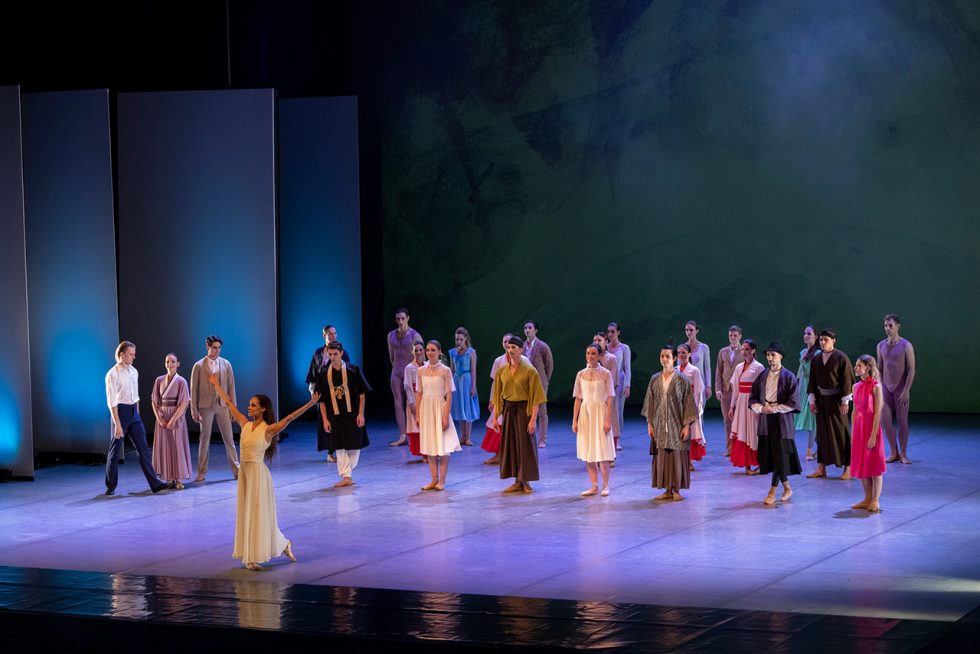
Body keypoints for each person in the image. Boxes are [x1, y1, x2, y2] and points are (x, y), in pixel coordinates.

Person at [206, 374, 319, 570]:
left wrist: (311, 403)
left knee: (258, 515)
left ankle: (254, 556)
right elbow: (229, 403)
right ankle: (281, 544)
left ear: (263, 409)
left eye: (254, 405)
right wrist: (216, 385)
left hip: (259, 475)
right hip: (245, 474)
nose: (249, 407)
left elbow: (290, 418)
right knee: (247, 513)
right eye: (249, 405)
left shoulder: (269, 430)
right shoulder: (244, 423)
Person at [104, 341, 174, 495]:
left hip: (133, 413)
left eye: (134, 354)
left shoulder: (134, 371)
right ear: (122, 354)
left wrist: (137, 415)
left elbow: (136, 396)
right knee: (115, 452)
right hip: (120, 413)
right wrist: (117, 424)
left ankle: (155, 484)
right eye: (131, 354)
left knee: (143, 449)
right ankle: (110, 486)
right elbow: (111, 402)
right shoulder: (112, 374)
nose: (133, 357)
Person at [641, 344, 698, 501]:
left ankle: (677, 490)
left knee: (676, 456)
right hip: (659, 424)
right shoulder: (655, 379)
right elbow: (650, 402)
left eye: (667, 356)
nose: (664, 359)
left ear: (674, 359)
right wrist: (650, 423)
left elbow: (688, 403)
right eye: (662, 356)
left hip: (676, 423)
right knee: (663, 457)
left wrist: (686, 426)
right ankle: (667, 490)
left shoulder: (682, 379)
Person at [749, 342, 802, 506]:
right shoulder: (763, 375)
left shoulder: (788, 377)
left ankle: (772, 492)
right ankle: (787, 488)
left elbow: (793, 401)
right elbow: (753, 396)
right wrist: (761, 408)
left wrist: (775, 409)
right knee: (774, 455)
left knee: (780, 454)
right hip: (766, 419)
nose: (770, 358)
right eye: (768, 355)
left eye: (773, 355)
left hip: (782, 420)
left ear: (780, 356)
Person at [493, 335, 547, 494]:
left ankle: (526, 481)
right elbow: (497, 396)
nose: (510, 350)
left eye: (514, 348)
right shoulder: (502, 371)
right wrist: (496, 417)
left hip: (524, 410)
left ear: (521, 349)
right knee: (512, 445)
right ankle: (517, 481)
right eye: (509, 347)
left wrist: (533, 420)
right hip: (509, 411)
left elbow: (536, 397)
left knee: (525, 446)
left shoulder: (530, 371)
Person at [316, 341, 371, 487]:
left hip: (352, 414)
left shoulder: (353, 370)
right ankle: (346, 477)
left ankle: (348, 473)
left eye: (335, 354)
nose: (333, 357)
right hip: (334, 416)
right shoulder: (323, 374)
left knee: (355, 445)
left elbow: (362, 394)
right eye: (330, 354)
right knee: (339, 447)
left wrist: (361, 414)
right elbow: (322, 401)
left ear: (341, 353)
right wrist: (325, 419)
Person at [190, 335, 239, 482]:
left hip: (223, 405)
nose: (216, 350)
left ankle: (237, 470)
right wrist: (194, 410)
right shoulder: (198, 365)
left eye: (218, 348)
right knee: (204, 439)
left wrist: (233, 409)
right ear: (208, 347)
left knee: (229, 439)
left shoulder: (226, 364)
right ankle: (201, 472)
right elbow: (193, 390)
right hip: (205, 406)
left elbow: (231, 387)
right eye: (214, 347)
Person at [807, 328, 855, 480]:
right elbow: (812, 381)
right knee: (822, 434)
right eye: (821, 340)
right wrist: (812, 401)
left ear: (833, 341)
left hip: (836, 401)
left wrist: (845, 401)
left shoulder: (841, 357)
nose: (822, 342)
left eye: (825, 340)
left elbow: (847, 380)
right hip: (821, 400)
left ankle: (848, 467)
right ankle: (821, 468)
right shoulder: (816, 359)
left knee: (841, 433)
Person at [416, 340, 462, 491]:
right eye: (427, 350)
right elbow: (419, 393)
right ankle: (433, 479)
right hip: (426, 408)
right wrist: (418, 414)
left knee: (443, 445)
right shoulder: (421, 371)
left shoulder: (445, 370)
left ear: (439, 352)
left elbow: (449, 394)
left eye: (433, 350)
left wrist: (445, 416)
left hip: (439, 407)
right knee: (430, 444)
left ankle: (442, 480)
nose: (429, 353)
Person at [572, 344, 616, 497]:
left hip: (600, 412)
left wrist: (608, 420)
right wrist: (574, 420)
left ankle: (606, 485)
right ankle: (594, 485)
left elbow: (610, 398)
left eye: (593, 354)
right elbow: (578, 398)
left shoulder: (605, 374)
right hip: (586, 414)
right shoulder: (581, 374)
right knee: (588, 451)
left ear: (599, 356)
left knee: (602, 451)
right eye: (588, 353)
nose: (590, 356)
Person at [306, 324, 349, 464]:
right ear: (324, 336)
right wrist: (313, 390)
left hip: (337, 391)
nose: (333, 336)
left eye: (335, 333)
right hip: (323, 391)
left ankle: (342, 449)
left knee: (339, 420)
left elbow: (348, 371)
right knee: (326, 421)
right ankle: (330, 452)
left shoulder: (342, 352)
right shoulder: (318, 352)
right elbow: (313, 372)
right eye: (330, 334)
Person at [483, 333, 528, 465]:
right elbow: (495, 383)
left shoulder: (524, 361)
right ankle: (499, 455)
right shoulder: (499, 361)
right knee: (499, 426)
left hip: (519, 400)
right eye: (506, 343)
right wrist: (492, 399)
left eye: (512, 344)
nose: (509, 347)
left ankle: (517, 457)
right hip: (503, 399)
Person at [876, 314, 915, 464]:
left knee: (902, 421)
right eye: (885, 325)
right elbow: (879, 368)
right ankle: (894, 452)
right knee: (885, 420)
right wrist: (879, 387)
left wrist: (906, 390)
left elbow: (911, 370)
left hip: (900, 388)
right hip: (885, 387)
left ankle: (903, 453)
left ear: (898, 326)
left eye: (890, 325)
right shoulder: (880, 345)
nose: (887, 328)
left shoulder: (906, 345)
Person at [151, 353, 193, 490]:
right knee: (165, 446)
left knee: (177, 446)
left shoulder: (181, 381)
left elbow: (184, 403)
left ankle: (178, 478)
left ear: (178, 364)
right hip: (162, 417)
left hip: (176, 417)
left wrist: (173, 420)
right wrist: (159, 419)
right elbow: (154, 401)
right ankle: (168, 478)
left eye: (173, 362)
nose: (170, 364)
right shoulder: (159, 380)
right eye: (168, 362)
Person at [850, 355, 886, 512]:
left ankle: (875, 499)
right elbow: (854, 411)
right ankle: (867, 498)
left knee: (874, 464)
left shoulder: (876, 387)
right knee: (862, 464)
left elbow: (877, 413)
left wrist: (873, 436)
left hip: (871, 428)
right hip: (859, 429)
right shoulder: (855, 387)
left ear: (868, 368)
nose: (856, 368)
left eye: (859, 365)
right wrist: (853, 432)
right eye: (856, 365)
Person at [729, 339, 765, 475]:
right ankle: (747, 466)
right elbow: (736, 389)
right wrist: (732, 406)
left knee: (753, 432)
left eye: (747, 349)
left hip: (752, 402)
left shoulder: (759, 367)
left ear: (753, 350)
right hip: (741, 403)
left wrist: (759, 407)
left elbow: (762, 389)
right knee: (742, 431)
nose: (744, 352)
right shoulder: (739, 367)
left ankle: (760, 463)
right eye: (742, 349)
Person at [388, 308, 422, 446]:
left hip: (411, 372)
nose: (400, 321)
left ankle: (419, 432)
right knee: (397, 402)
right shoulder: (391, 335)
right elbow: (391, 355)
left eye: (403, 318)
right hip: (397, 370)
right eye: (398, 319)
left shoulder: (415, 335)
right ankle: (403, 436)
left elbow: (421, 356)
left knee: (413, 402)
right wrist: (397, 367)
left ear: (408, 318)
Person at [522, 321, 554, 447]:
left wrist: (545, 380)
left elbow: (549, 364)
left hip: (540, 382)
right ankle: (528, 437)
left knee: (541, 410)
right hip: (526, 383)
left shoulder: (542, 346)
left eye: (530, 327)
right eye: (525, 328)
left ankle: (542, 439)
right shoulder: (522, 346)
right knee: (527, 410)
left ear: (535, 330)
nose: (527, 330)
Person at [449, 327, 480, 446]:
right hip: (457, 381)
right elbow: (452, 369)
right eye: (457, 339)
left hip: (467, 381)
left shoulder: (471, 352)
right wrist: (450, 384)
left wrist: (473, 386)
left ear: (466, 338)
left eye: (461, 339)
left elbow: (473, 370)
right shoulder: (453, 352)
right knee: (460, 408)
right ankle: (462, 435)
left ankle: (468, 437)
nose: (459, 341)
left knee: (467, 408)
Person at [677, 343, 706, 469]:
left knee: (690, 432)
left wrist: (696, 409)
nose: (681, 355)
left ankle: (688, 461)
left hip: (690, 404)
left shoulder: (694, 370)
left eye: (684, 352)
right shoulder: (675, 370)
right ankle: (679, 460)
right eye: (679, 353)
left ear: (689, 354)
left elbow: (699, 391)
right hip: (677, 405)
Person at [715, 325, 742, 456]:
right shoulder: (723, 352)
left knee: (740, 420)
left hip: (740, 391)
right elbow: (718, 371)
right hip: (726, 391)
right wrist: (718, 389)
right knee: (727, 421)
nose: (732, 338)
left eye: (735, 335)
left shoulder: (745, 350)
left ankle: (740, 448)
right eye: (730, 335)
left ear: (740, 336)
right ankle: (730, 448)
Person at [795, 326, 820, 461]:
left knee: (812, 420)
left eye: (809, 333)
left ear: (815, 337)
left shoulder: (818, 354)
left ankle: (809, 450)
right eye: (804, 333)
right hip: (803, 387)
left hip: (812, 387)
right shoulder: (803, 352)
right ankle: (822, 447)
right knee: (804, 419)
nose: (806, 335)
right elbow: (801, 372)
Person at [606, 322, 631, 451]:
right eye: (609, 332)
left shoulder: (624, 348)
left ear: (618, 332)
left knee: (618, 411)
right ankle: (607, 438)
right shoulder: (604, 347)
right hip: (606, 381)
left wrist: (627, 385)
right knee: (606, 410)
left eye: (613, 331)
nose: (610, 334)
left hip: (619, 381)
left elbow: (627, 368)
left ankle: (617, 438)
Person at [593, 331, 620, 447]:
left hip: (608, 395)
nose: (596, 342)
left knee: (611, 421)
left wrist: (604, 393)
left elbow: (612, 380)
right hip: (595, 396)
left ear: (606, 342)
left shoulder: (611, 358)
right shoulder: (592, 356)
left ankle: (612, 449)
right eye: (595, 340)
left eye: (599, 340)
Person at [403, 340, 426, 464]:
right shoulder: (409, 368)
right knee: (418, 427)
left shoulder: (427, 365)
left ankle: (430, 452)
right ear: (412, 352)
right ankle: (423, 454)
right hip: (415, 397)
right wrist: (411, 402)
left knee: (426, 426)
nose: (418, 352)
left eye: (420, 350)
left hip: (426, 398)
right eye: (416, 350)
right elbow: (407, 386)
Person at [684, 321, 712, 405]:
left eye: (691, 330)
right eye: (687, 330)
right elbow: (678, 369)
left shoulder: (704, 347)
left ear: (697, 331)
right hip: (686, 384)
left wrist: (708, 386)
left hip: (700, 384)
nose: (689, 332)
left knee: (699, 410)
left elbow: (707, 368)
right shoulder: (682, 348)